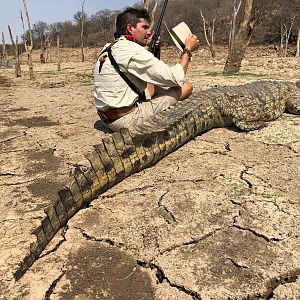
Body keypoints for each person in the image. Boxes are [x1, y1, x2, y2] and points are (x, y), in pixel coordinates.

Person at [93, 7, 199, 132]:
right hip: (125, 120)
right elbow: (175, 78)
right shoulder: (132, 50)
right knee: (186, 87)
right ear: (130, 28)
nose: (149, 32)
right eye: (144, 27)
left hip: (107, 119)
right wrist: (187, 50)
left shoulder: (110, 47)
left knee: (152, 87)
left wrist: (151, 48)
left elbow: (148, 75)